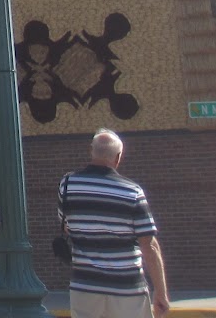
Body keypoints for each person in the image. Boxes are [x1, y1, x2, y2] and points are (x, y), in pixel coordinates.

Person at [59, 129, 169, 318]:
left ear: (91, 151)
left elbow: (65, 226)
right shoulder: (132, 192)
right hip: (126, 288)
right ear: (118, 157)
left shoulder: (68, 184)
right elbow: (148, 245)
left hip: (85, 286)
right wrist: (161, 292)